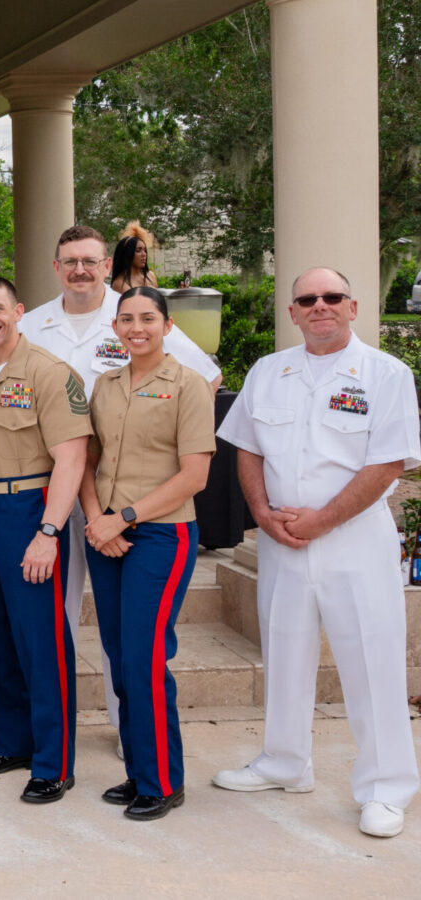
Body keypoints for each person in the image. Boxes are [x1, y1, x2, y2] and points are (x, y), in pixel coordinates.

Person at [213, 267, 420, 839]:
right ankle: (285, 762)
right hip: (282, 538)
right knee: (285, 650)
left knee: (372, 663)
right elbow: (248, 450)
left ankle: (385, 787)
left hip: (354, 540)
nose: (320, 306)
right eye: (308, 299)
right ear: (294, 312)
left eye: (333, 297)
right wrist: (260, 513)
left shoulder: (386, 373)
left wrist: (323, 519)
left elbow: (387, 464)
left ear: (353, 307)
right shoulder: (267, 372)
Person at [19, 224, 221, 745]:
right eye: (70, 261)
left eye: (90, 260)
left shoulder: (137, 312)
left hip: (132, 505)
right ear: (56, 267)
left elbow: (203, 376)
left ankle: (125, 726)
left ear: (106, 264)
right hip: (56, 490)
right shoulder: (34, 324)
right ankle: (53, 725)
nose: (81, 269)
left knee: (130, 633)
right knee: (56, 612)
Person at [78, 286, 214, 821]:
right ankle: (138, 771)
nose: (137, 328)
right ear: (115, 328)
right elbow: (87, 461)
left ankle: (162, 781)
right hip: (105, 535)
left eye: (148, 319)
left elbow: (195, 476)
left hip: (160, 536)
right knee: (118, 654)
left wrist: (124, 517)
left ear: (168, 325)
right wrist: (96, 520)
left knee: (145, 657)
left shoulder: (189, 385)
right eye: (127, 319)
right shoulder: (105, 386)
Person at [0, 275, 90, 805]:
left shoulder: (49, 373)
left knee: (42, 643)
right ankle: (11, 743)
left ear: (19, 311)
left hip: (33, 509)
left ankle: (54, 762)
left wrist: (48, 533)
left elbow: (72, 457)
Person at [109, 221, 158, 294]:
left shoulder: (150, 276)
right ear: (127, 254)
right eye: (138, 250)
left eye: (145, 250)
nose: (144, 254)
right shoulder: (119, 284)